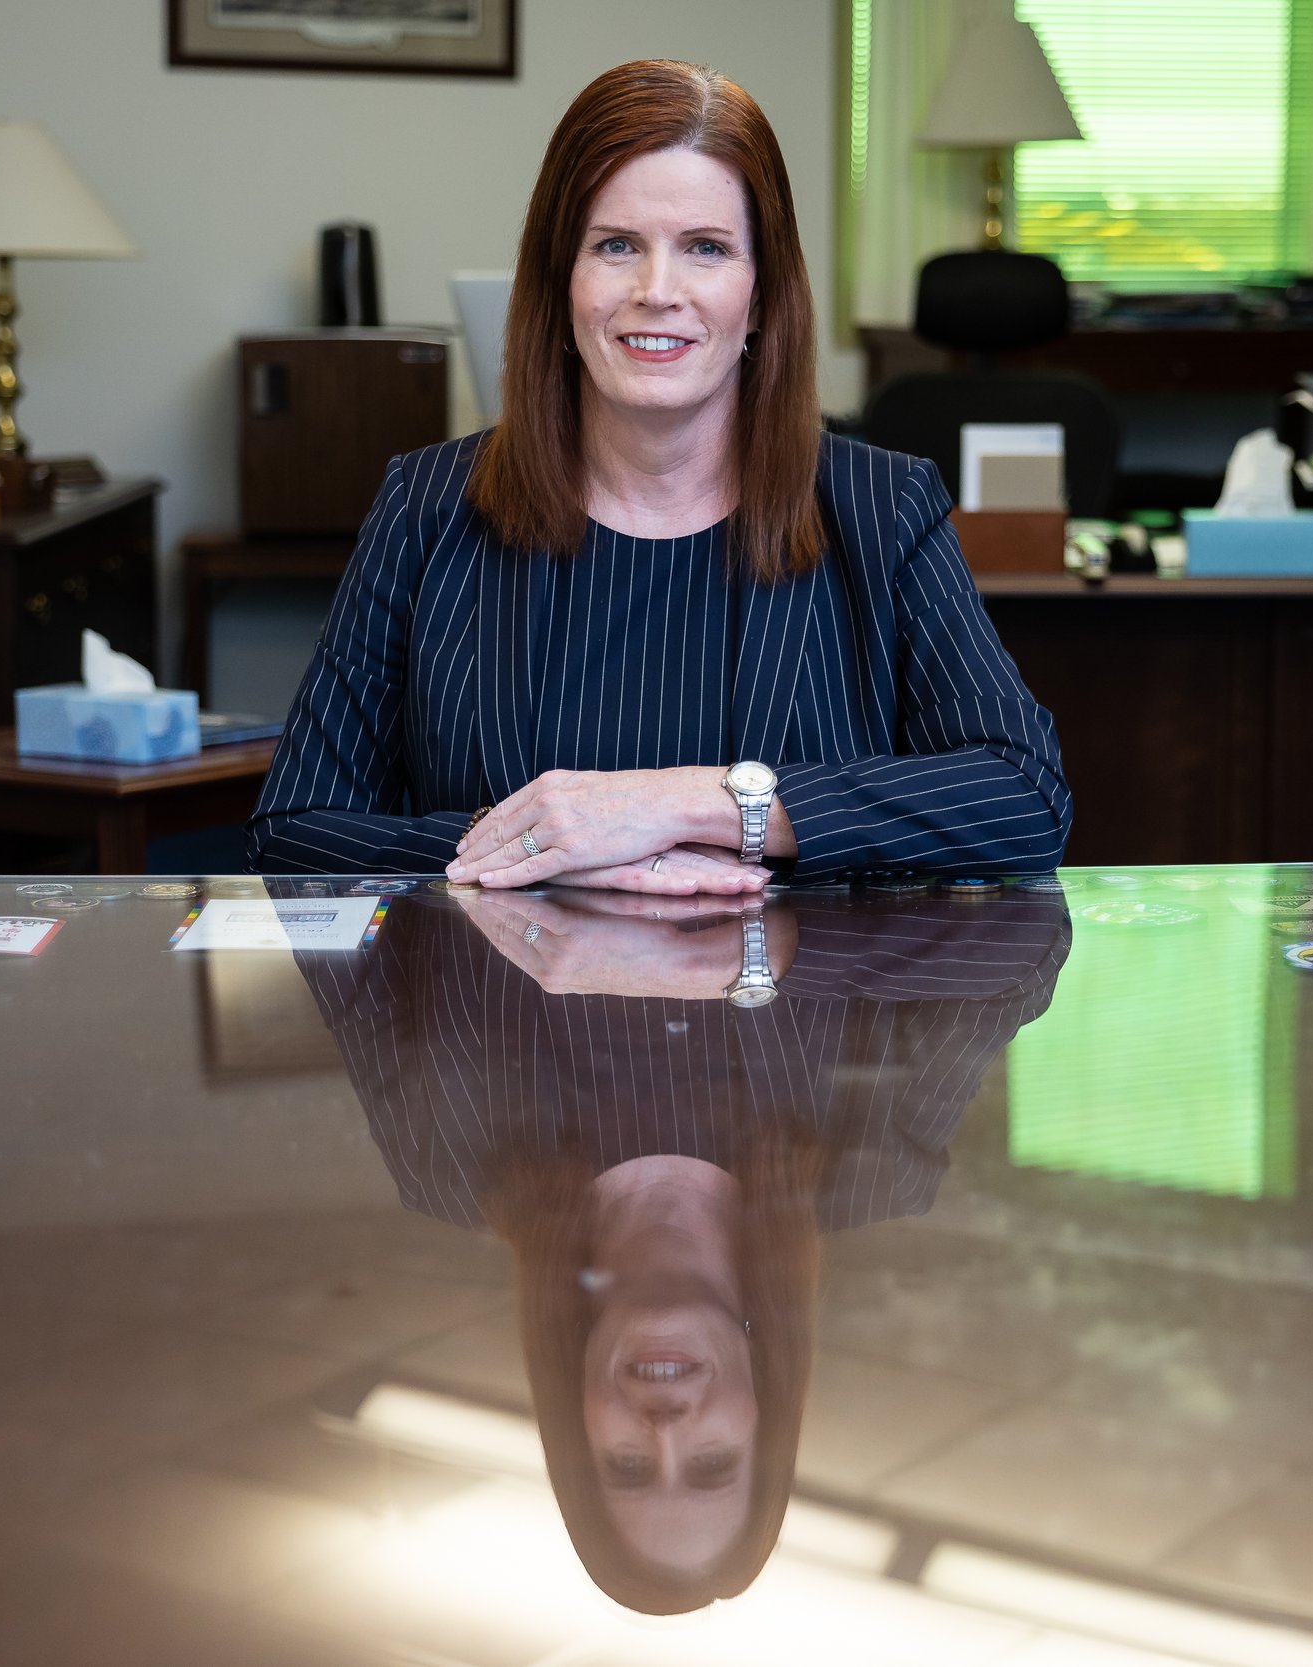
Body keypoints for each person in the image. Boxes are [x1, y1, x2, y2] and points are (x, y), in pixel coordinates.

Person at [246, 59, 1071, 892]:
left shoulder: (881, 508)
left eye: (706, 249)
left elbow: (1023, 795)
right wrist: (558, 848)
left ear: (762, 296)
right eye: (615, 246)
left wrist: (695, 804)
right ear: (559, 284)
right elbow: (294, 834)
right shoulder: (426, 505)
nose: (657, 291)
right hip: (509, 1016)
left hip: (799, 1015)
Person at [291, 884, 1070, 1611]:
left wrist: (494, 853)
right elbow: (1027, 936)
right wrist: (763, 937)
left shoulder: (446, 1161)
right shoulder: (876, 1162)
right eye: (712, 1462)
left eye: (627, 1466)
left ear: (575, 1428)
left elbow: (306, 874)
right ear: (766, 1415)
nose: (665, 1428)